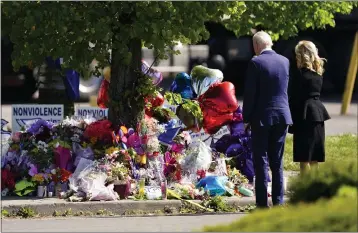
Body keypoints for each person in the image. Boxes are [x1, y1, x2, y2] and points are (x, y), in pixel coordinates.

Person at [243, 31, 292, 208]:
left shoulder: (256, 62)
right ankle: (279, 203)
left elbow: (250, 94)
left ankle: (262, 204)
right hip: (282, 116)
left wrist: (246, 118)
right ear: (270, 43)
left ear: (256, 46)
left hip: (262, 118)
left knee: (261, 161)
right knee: (277, 162)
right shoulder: (285, 61)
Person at [288, 40, 330, 174]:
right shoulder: (318, 73)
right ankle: (314, 185)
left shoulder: (299, 74)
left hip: (303, 114)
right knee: (315, 156)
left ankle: (305, 185)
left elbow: (294, 96)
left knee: (303, 155)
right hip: (317, 114)